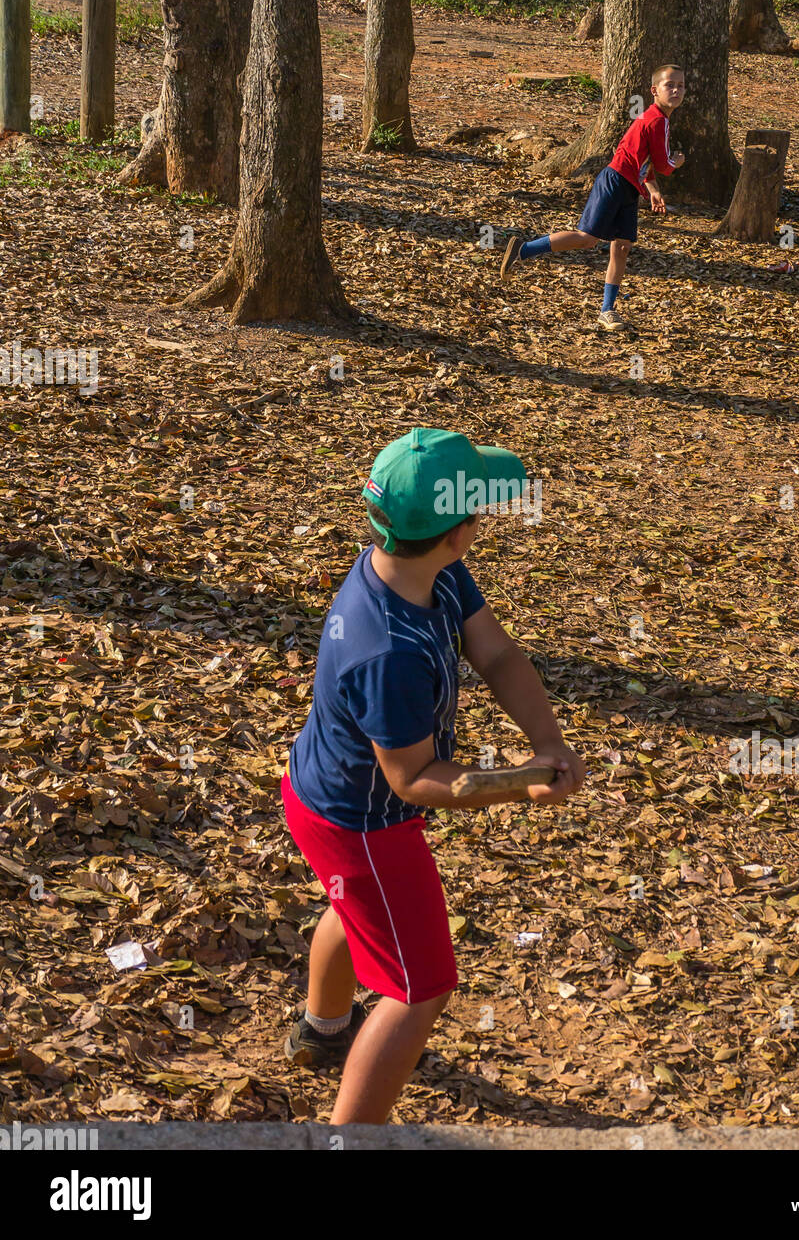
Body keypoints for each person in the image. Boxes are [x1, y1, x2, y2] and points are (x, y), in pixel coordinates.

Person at [280, 427, 586, 1124]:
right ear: (457, 533)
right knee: (419, 987)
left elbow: (496, 652)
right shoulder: (387, 652)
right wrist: (521, 780)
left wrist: (548, 741)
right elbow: (415, 780)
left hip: (321, 794)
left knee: (355, 907)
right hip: (362, 825)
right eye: (479, 510)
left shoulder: (423, 567)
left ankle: (323, 1030)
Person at [499, 64, 687, 331]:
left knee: (621, 247)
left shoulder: (658, 120)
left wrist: (653, 189)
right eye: (670, 85)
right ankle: (524, 249)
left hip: (630, 188)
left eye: (681, 85)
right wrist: (676, 162)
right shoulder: (655, 119)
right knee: (586, 239)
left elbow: (642, 161)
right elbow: (663, 163)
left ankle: (607, 311)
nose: (677, 90)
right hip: (614, 182)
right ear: (654, 91)